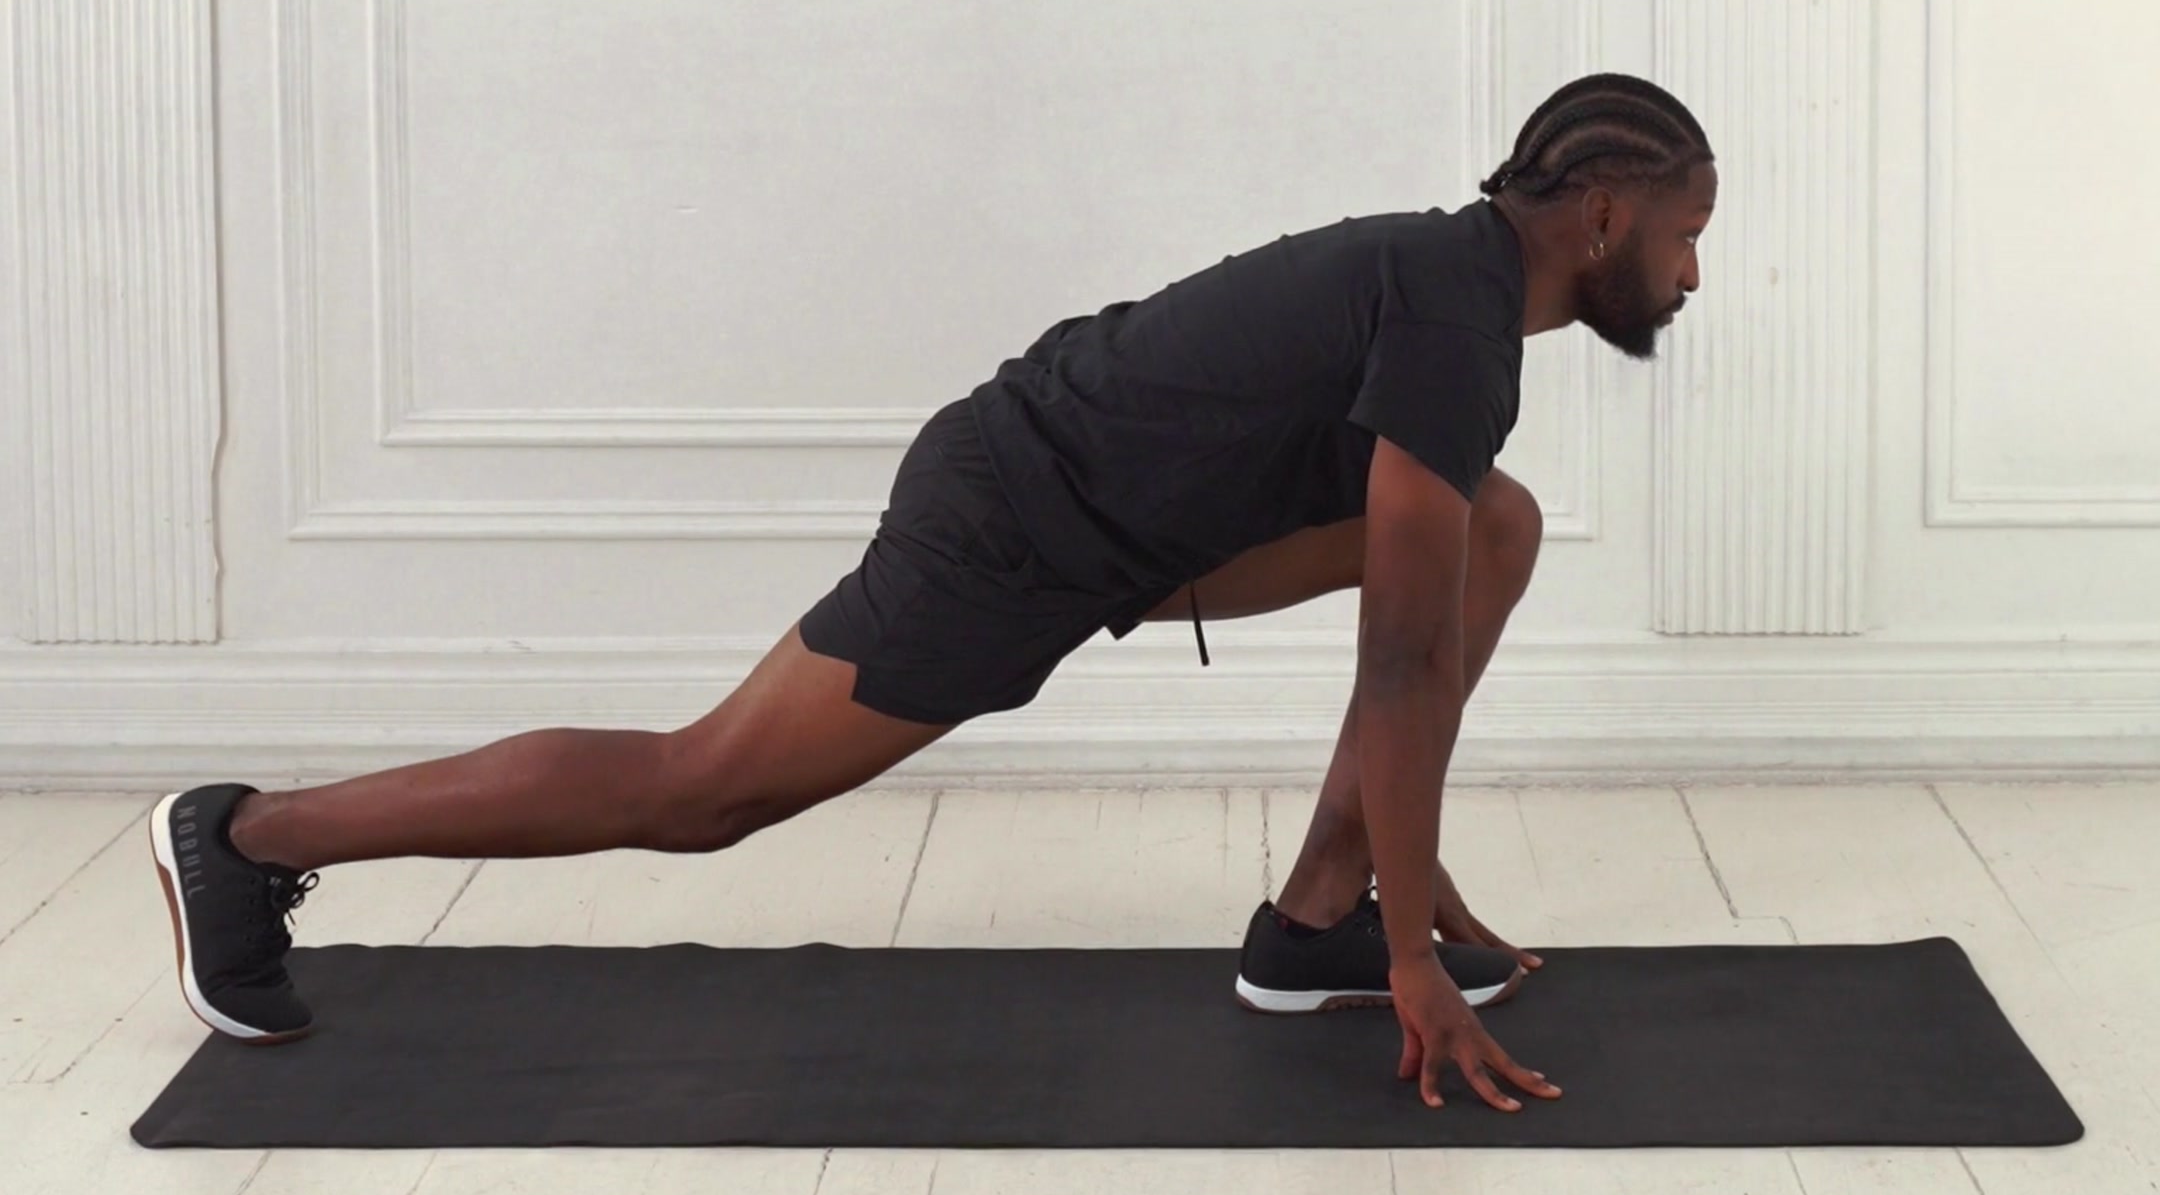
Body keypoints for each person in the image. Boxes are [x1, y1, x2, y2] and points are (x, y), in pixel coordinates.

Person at [150, 72, 1715, 1115]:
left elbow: (1415, 614)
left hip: (1129, 520)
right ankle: (248, 836)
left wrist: (1392, 893)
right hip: (1016, 520)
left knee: (1491, 527)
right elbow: (1401, 665)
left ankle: (1314, 921)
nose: (1693, 276)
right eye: (1685, 237)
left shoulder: (1451, 289)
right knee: (704, 789)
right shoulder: (1453, 320)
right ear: (1600, 220)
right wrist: (1418, 952)